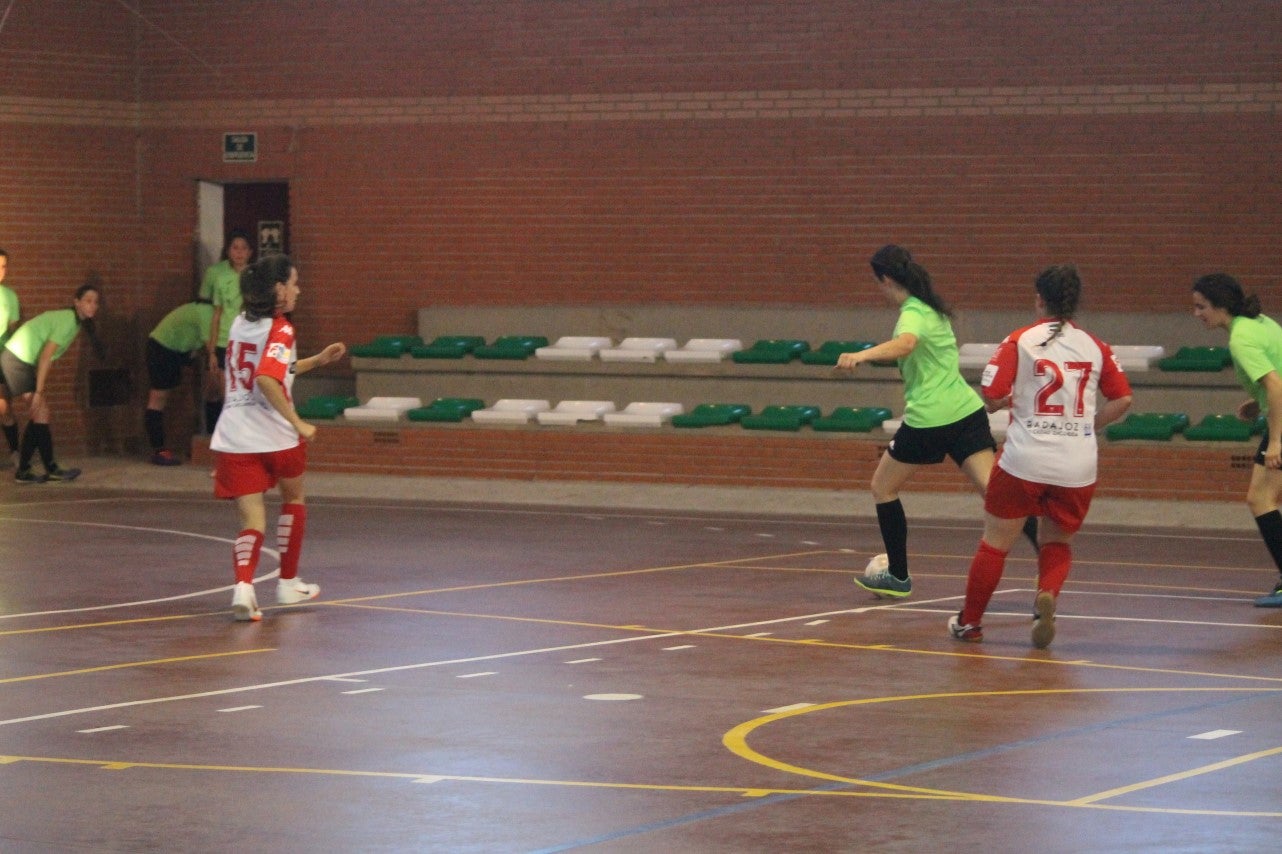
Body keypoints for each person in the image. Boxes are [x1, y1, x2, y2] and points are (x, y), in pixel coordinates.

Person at [836, 244, 1034, 598]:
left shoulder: (912, 313)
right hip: (966, 412)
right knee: (997, 494)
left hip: (929, 419)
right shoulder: (933, 309)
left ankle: (898, 576)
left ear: (885, 279)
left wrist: (860, 356)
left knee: (883, 487)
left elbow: (906, 344)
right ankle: (1050, 555)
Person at [949, 265, 1132, 647]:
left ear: (1039, 300)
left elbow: (991, 394)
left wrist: (1007, 401)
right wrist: (1088, 424)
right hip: (1077, 464)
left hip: (1024, 460)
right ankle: (1046, 594)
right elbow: (1123, 399)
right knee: (1057, 542)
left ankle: (970, 623)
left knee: (995, 542)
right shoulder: (1096, 346)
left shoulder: (1021, 340)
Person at [210, 254, 345, 621]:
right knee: (294, 497)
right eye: (294, 283)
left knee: (252, 522)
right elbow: (268, 378)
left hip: (235, 436)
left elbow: (275, 367)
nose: (299, 290)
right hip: (276, 434)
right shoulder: (282, 329)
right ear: (279, 289)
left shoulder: (240, 323)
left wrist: (317, 361)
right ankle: (287, 582)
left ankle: (243, 589)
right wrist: (298, 422)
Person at [1191, 273, 1282, 607]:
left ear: (1221, 305)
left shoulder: (1240, 338)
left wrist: (1276, 442)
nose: (1197, 314)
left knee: (1261, 498)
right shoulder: (1259, 322)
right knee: (1265, 497)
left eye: (1201, 307)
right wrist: (1257, 402)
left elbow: (1276, 385)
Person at [0, 283, 104, 484]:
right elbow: (46, 357)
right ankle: (49, 469)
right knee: (41, 412)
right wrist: (38, 392)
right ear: (77, 302)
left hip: (20, 360)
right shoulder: (68, 320)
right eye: (88, 301)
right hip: (16, 359)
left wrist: (39, 391)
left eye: (96, 302)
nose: (93, 305)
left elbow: (45, 357)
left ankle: (25, 470)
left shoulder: (74, 323)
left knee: (40, 414)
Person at [144, 299, 215, 465]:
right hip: (162, 348)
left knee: (204, 391)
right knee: (158, 398)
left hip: (179, 350)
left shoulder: (211, 313)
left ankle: (205, 441)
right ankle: (159, 450)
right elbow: (211, 347)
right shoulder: (206, 312)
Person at [200, 230, 253, 434]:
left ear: (250, 252)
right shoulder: (221, 279)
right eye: (235, 248)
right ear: (229, 251)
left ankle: (240, 435)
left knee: (243, 392)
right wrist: (212, 351)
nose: (239, 253)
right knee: (220, 391)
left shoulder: (254, 278)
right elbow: (216, 315)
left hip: (246, 342)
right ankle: (216, 435)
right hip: (224, 341)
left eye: (243, 248)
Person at [0, 248, 22, 465]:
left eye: (4, 266)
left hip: (2, 354)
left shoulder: (10, 296)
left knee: (4, 405)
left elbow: (13, 331)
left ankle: (15, 452)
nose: (0, 271)